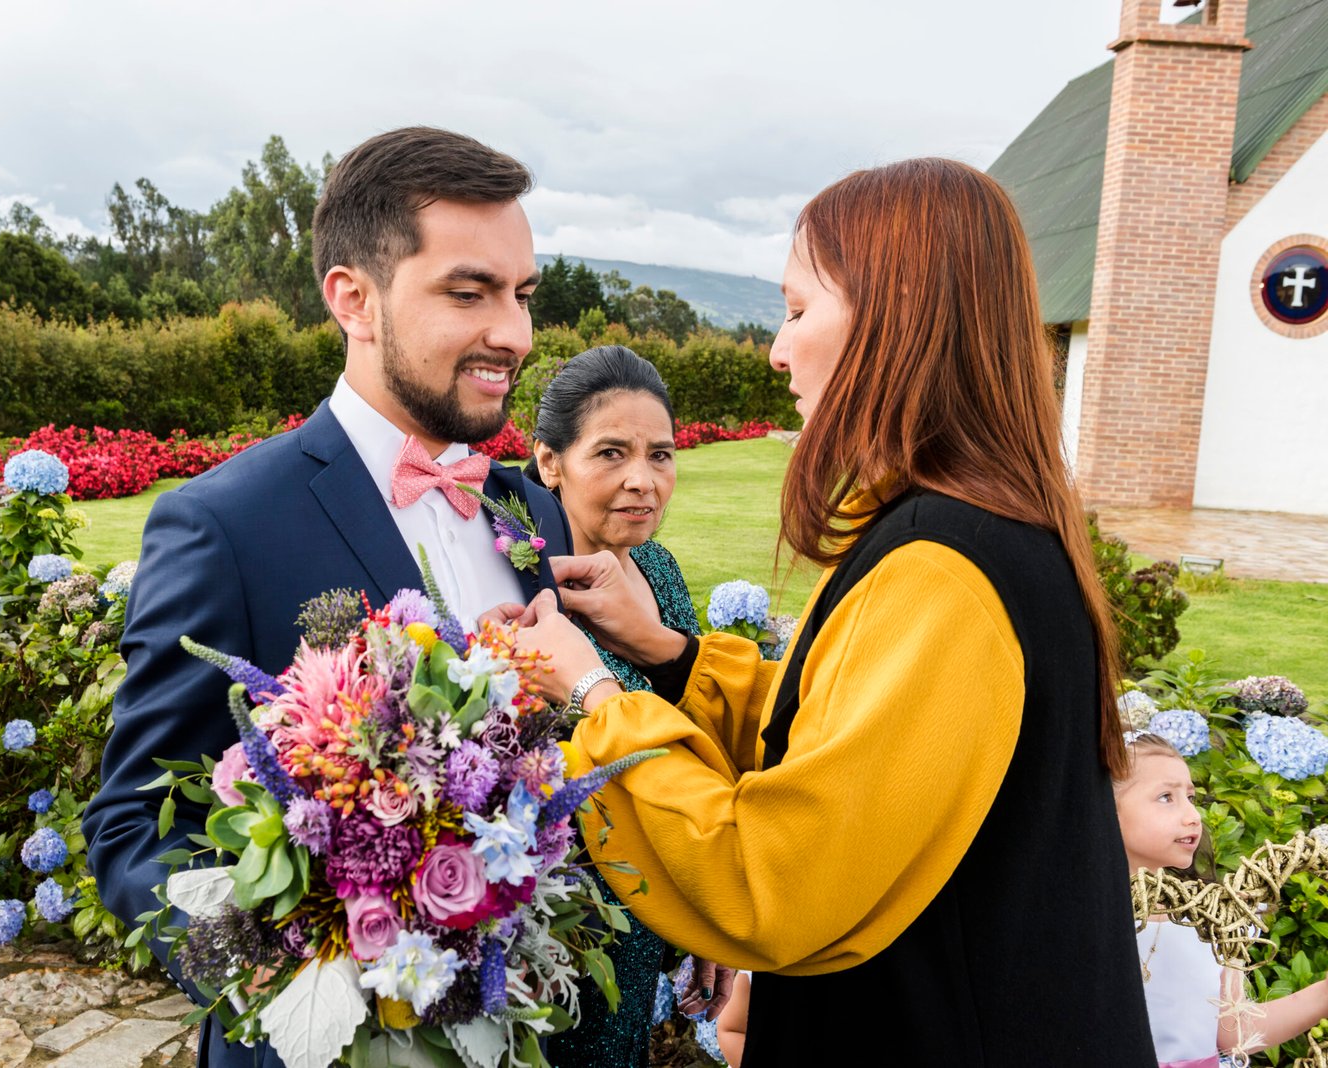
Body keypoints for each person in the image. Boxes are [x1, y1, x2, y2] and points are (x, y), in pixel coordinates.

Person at [493, 157, 1158, 1063]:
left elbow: (772, 877)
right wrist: (666, 650)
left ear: (897, 319)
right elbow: (850, 745)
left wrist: (594, 700)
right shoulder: (976, 528)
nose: (776, 347)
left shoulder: (944, 567)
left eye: (800, 309)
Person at [82, 127, 572, 1068]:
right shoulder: (222, 524)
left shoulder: (528, 509)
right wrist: (287, 975)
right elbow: (133, 823)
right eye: (468, 292)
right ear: (354, 299)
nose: (513, 332)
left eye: (521, 295)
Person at [523, 345, 735, 1065]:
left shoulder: (660, 572)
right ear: (550, 463)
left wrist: (709, 915)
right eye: (611, 453)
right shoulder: (517, 600)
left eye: (661, 454)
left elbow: (700, 743)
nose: (643, 481)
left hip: (648, 926)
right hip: (553, 942)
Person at [1119, 731, 1328, 1066]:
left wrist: (1323, 995)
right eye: (1165, 798)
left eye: (1190, 797)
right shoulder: (1081, 917)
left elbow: (1234, 1031)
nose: (1193, 816)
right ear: (1102, 810)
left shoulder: (1209, 920)